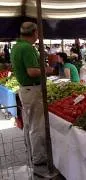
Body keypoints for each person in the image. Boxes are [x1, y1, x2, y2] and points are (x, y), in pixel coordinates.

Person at [11, 22, 54, 166]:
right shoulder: (27, 48)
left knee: (29, 124)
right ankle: (39, 157)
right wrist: (46, 70)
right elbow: (32, 71)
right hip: (33, 89)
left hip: (25, 89)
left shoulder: (16, 46)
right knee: (37, 125)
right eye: (37, 33)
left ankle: (31, 153)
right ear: (35, 33)